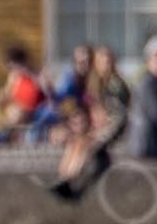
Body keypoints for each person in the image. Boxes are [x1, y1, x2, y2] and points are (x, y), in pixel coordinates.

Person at [50, 43, 132, 200]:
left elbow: (118, 113)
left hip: (114, 126)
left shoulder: (114, 84)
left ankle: (70, 179)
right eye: (101, 62)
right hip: (101, 124)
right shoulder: (96, 82)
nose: (104, 65)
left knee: (86, 144)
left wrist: (101, 122)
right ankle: (63, 178)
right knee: (75, 142)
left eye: (108, 62)